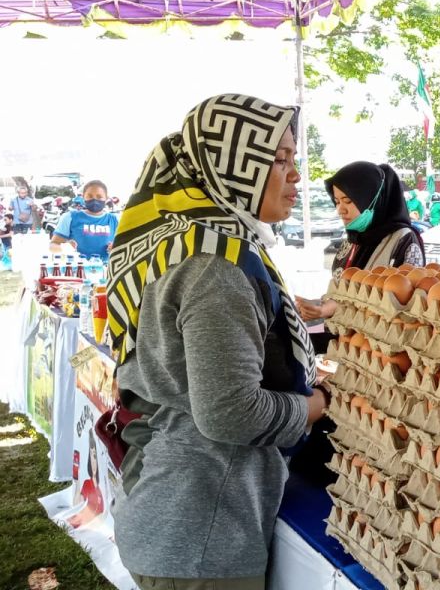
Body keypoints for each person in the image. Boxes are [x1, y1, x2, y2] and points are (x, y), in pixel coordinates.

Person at [109, 94, 325, 590]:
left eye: (294, 160)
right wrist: (315, 405)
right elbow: (230, 412)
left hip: (179, 511)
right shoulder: (215, 268)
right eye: (279, 159)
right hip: (200, 531)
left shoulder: (186, 241)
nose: (295, 176)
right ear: (231, 164)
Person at [295, 161, 425, 344]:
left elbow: (405, 308)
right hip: (348, 346)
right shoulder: (353, 240)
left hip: (383, 353)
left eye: (349, 201)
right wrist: (319, 306)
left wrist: (333, 309)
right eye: (337, 201)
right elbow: (343, 294)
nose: (340, 209)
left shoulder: (403, 240)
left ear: (373, 199)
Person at [50, 179, 120, 260]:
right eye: (89, 196)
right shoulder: (70, 217)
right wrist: (65, 247)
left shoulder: (114, 220)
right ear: (83, 197)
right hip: (77, 269)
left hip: (105, 270)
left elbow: (124, 246)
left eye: (99, 197)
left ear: (106, 198)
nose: (94, 200)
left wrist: (116, 248)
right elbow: (53, 245)